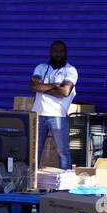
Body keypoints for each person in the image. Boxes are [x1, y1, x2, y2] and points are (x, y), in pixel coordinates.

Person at [30, 40, 78, 170]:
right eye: (55, 51)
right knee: (33, 152)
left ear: (66, 53)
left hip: (57, 116)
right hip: (38, 115)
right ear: (50, 52)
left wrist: (43, 87)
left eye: (61, 51)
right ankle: (30, 182)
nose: (58, 54)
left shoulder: (70, 71)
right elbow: (33, 86)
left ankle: (65, 185)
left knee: (63, 152)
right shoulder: (41, 67)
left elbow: (64, 91)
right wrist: (55, 86)